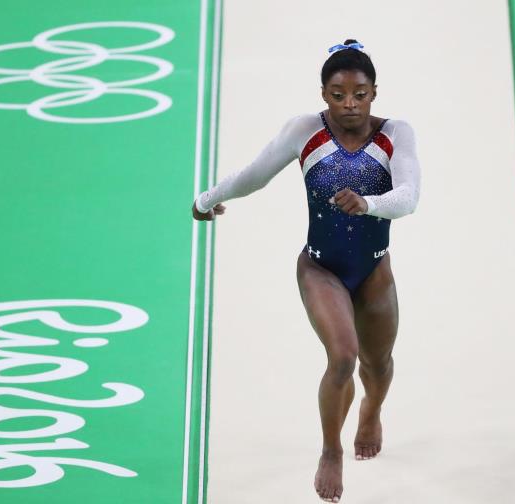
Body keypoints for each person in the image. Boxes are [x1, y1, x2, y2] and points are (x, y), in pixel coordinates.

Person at [191, 39, 421, 503]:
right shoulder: (305, 131)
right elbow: (254, 175)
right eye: (338, 95)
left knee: (377, 364)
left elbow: (410, 196)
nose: (349, 104)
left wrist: (368, 204)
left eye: (359, 94)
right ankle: (331, 449)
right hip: (320, 268)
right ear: (323, 94)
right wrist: (208, 199)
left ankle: (371, 411)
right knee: (343, 358)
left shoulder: (396, 132)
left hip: (375, 270)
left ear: (375, 92)